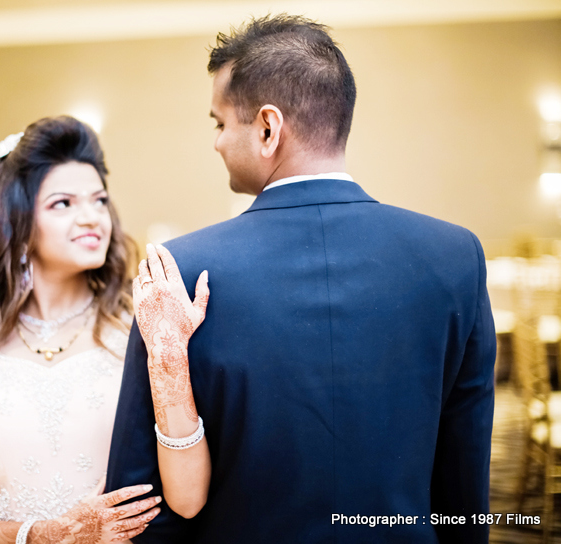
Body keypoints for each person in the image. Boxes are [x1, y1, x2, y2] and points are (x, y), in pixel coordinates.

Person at [106, 14, 496, 544]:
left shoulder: (178, 270)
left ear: (268, 128)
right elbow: (463, 471)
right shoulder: (455, 256)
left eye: (220, 123)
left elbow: (138, 503)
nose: (217, 143)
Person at [0, 116, 162, 544]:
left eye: (99, 200)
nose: (92, 218)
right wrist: (42, 535)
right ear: (16, 223)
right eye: (63, 204)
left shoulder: (139, 326)